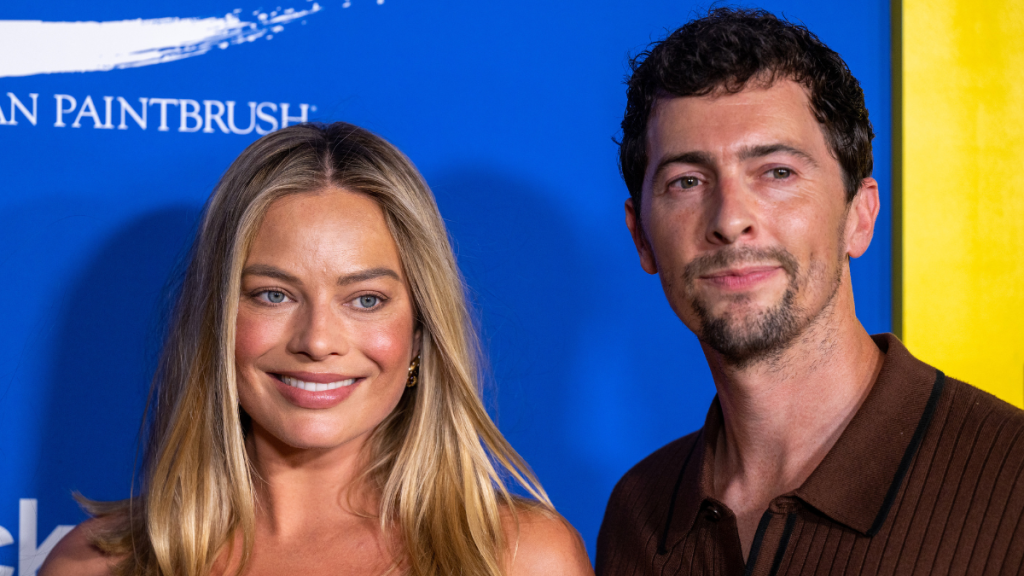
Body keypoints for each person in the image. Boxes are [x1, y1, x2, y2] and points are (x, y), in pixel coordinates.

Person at [41, 122, 593, 576]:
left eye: (366, 300)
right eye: (273, 295)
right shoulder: (92, 566)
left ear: (421, 330)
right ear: (216, 321)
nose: (317, 341)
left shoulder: (521, 559)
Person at [597, 8, 1024, 575]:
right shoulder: (638, 513)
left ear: (859, 216)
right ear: (642, 238)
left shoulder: (1012, 485)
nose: (730, 219)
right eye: (687, 181)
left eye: (776, 172)